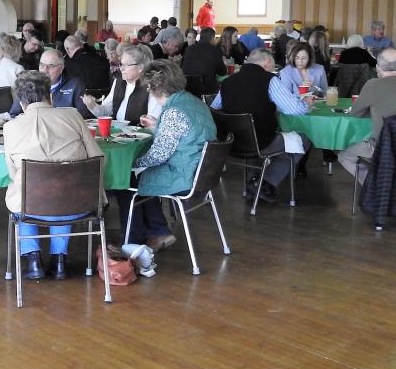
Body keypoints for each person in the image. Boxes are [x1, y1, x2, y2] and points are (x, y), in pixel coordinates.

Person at [4, 71, 104, 280]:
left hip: (32, 207)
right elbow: (98, 159)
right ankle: (59, 261)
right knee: (66, 187)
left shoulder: (11, 127)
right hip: (79, 205)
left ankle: (33, 261)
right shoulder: (73, 116)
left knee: (26, 190)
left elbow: (13, 173)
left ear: (21, 102)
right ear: (50, 96)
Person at [114, 60, 214, 252]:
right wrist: (158, 125)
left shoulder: (173, 112)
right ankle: (158, 232)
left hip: (184, 175)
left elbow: (159, 155)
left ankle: (132, 242)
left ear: (151, 86)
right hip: (203, 172)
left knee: (126, 181)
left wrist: (131, 163)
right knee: (143, 177)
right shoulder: (192, 101)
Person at [211, 49, 309, 203]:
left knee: (253, 134)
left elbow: (215, 109)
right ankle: (264, 183)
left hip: (231, 142)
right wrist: (306, 104)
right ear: (267, 63)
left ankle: (253, 183)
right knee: (303, 140)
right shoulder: (269, 80)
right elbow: (296, 110)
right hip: (260, 143)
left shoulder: (228, 81)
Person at [339, 49, 396, 181]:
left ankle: (373, 186)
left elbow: (355, 113)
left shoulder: (373, 84)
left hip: (382, 147)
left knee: (344, 155)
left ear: (378, 67)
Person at [84, 43, 159, 125]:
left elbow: (152, 123)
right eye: (121, 64)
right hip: (117, 134)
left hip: (141, 135)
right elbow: (106, 113)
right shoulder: (118, 82)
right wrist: (92, 105)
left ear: (140, 67)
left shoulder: (151, 87)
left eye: (126, 65)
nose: (121, 68)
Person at [8, 50, 91, 119]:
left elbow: (83, 117)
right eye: (42, 65)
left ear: (61, 68)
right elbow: (14, 115)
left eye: (50, 66)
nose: (45, 70)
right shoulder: (28, 84)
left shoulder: (75, 85)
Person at [180, 26, 227, 95]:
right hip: (206, 88)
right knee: (224, 85)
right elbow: (222, 72)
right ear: (212, 38)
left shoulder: (189, 49)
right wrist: (224, 63)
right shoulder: (214, 50)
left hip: (188, 86)